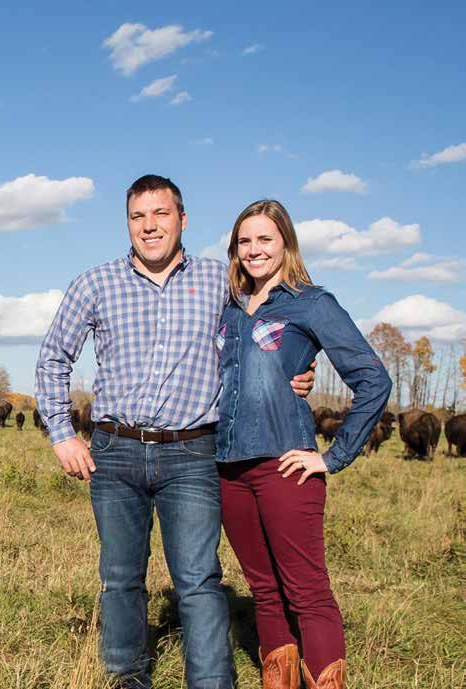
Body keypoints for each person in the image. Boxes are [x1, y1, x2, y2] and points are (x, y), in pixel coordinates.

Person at [34, 175, 315, 689]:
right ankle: (128, 677)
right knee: (121, 577)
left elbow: (271, 325)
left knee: (199, 580)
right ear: (128, 225)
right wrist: (60, 432)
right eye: (138, 217)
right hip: (114, 452)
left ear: (182, 220)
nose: (150, 226)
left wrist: (295, 367)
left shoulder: (220, 281)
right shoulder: (94, 283)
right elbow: (53, 357)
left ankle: (210, 682)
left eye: (161, 214)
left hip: (192, 454)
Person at [214, 200, 391, 689]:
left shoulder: (311, 303)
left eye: (265, 239)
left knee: (307, 591)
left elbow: (373, 379)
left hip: (285, 467)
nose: (254, 250)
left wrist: (332, 456)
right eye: (244, 241)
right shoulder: (226, 308)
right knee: (264, 591)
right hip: (227, 469)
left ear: (285, 243)